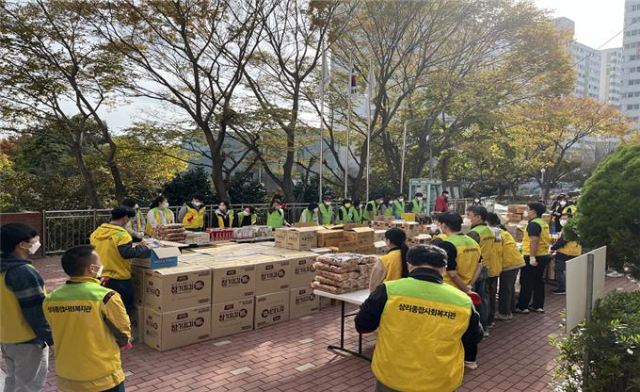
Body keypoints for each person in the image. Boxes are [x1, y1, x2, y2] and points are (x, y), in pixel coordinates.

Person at [355, 245, 483, 392]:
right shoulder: (463, 301)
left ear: (409, 265)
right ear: (443, 269)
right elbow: (474, 337)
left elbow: (362, 326)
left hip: (393, 375)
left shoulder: (388, 290)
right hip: (439, 379)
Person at [44, 245, 132, 392]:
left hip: (67, 377)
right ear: (92, 269)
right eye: (99, 262)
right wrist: (124, 342)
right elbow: (123, 332)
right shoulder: (106, 296)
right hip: (103, 377)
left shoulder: (51, 299)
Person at [0, 223, 52, 392]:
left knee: (13, 379)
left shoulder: (4, 269)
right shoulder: (23, 272)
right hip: (28, 340)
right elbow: (36, 312)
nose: (37, 242)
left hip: (7, 337)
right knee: (29, 386)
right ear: (22, 245)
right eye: (34, 239)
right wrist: (51, 339)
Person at [432, 212, 484, 370]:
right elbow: (480, 266)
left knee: (447, 326)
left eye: (439, 224)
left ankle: (447, 359)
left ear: (444, 225)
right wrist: (469, 286)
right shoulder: (472, 241)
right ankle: (470, 359)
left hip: (449, 291)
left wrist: (464, 288)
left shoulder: (447, 244)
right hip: (466, 288)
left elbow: (451, 273)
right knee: (467, 324)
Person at [90, 206, 152, 316]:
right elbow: (127, 253)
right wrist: (145, 248)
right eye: (129, 219)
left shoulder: (96, 233)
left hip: (100, 277)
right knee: (123, 312)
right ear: (125, 218)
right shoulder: (122, 235)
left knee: (103, 310)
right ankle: (123, 333)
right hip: (119, 279)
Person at [466, 205, 500, 330]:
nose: (467, 218)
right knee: (483, 298)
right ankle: (485, 325)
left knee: (474, 298)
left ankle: (475, 327)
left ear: (478, 217)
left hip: (475, 268)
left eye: (469, 215)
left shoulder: (474, 233)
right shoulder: (490, 230)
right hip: (486, 266)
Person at [486, 213, 525, 321]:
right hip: (515, 260)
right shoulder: (501, 230)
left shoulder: (495, 232)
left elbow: (496, 249)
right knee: (509, 287)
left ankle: (504, 313)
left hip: (509, 262)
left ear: (487, 222)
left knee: (505, 288)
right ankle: (511, 308)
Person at [515, 202, 552, 314]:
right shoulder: (543, 223)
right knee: (538, 281)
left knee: (526, 282)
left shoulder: (533, 224)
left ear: (533, 212)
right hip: (544, 255)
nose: (526, 211)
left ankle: (523, 307)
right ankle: (537, 305)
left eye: (528, 209)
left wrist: (531, 257)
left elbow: (534, 241)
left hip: (534, 256)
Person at [550, 214, 582, 295]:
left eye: (565, 219)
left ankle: (562, 288)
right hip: (575, 251)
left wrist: (552, 248)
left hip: (567, 252)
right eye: (562, 218)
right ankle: (570, 286)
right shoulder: (576, 227)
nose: (562, 220)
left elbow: (562, 241)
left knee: (559, 269)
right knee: (569, 270)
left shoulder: (569, 228)